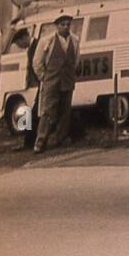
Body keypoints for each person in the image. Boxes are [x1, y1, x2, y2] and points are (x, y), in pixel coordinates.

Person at [32, 12, 80, 153]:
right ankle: (40, 142)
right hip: (51, 82)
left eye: (68, 24)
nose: (65, 27)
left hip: (67, 81)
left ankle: (61, 138)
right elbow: (37, 62)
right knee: (48, 112)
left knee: (65, 111)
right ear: (56, 26)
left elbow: (76, 59)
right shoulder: (47, 41)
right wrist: (45, 78)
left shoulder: (75, 40)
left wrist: (70, 74)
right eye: (62, 25)